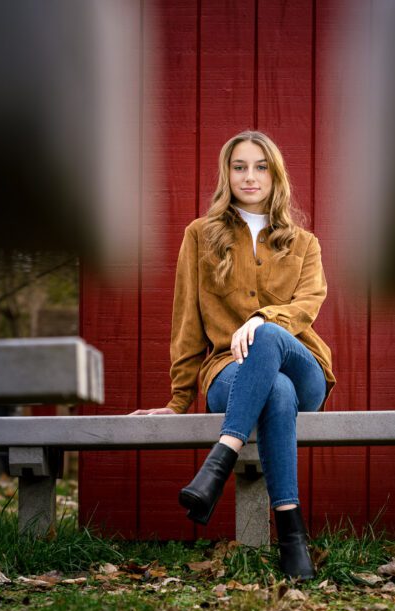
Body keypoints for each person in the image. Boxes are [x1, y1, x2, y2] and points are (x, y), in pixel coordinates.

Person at [131, 129, 335, 579]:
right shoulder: (200, 236)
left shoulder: (304, 243)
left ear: (275, 175)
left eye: (260, 167)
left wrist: (262, 320)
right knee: (274, 390)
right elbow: (186, 322)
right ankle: (292, 535)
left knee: (270, 340)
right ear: (227, 174)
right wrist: (177, 401)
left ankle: (219, 460)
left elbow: (307, 305)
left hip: (302, 366)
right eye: (239, 167)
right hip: (228, 371)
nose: (250, 176)